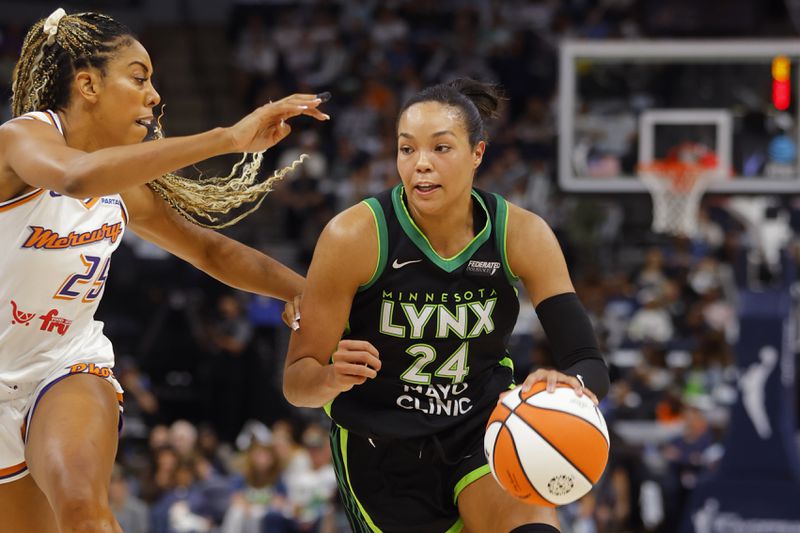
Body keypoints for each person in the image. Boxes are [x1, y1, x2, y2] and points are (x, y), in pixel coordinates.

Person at [0, 8, 328, 533]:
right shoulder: (21, 141)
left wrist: (308, 294)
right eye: (139, 77)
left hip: (61, 365)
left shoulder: (121, 178)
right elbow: (75, 177)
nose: (155, 95)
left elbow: (210, 251)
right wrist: (226, 138)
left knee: (84, 513)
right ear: (87, 84)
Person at [283, 78, 610, 533]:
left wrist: (569, 383)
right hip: (380, 447)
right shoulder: (353, 237)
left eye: (441, 148)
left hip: (481, 429)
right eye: (406, 149)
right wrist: (329, 377)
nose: (421, 165)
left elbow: (587, 361)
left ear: (478, 154)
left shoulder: (521, 234)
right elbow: (297, 382)